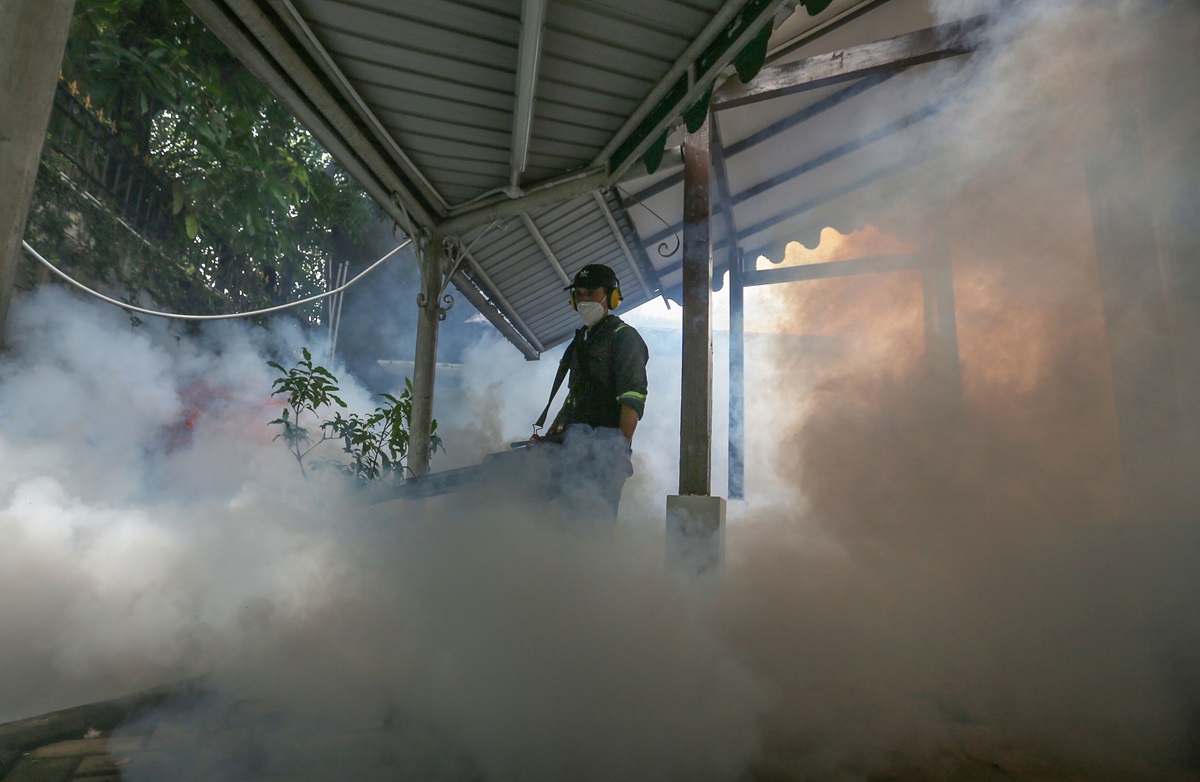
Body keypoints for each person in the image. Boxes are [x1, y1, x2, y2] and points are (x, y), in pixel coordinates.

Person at [540, 264, 649, 519]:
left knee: (593, 527)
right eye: (579, 294)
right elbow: (577, 393)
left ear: (611, 296)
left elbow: (633, 399)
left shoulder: (624, 338)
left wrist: (617, 450)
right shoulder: (583, 339)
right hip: (573, 449)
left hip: (603, 455)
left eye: (591, 293)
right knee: (564, 525)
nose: (584, 300)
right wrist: (556, 427)